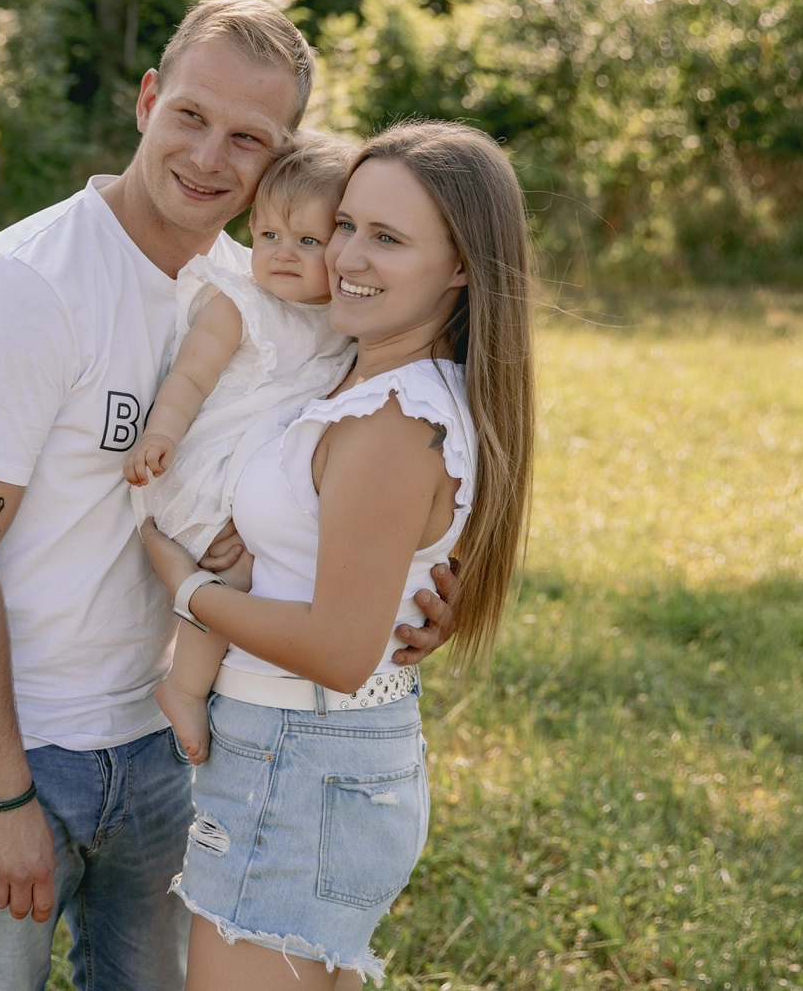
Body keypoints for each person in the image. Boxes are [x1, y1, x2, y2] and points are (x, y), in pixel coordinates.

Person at [0, 0, 461, 991]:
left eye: (250, 139)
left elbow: (348, 474)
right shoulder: (31, 286)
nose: (209, 156)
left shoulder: (260, 290)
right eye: (191, 115)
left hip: (170, 746)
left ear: (281, 164)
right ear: (148, 101)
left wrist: (413, 596)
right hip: (12, 750)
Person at [140, 118, 536, 988]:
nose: (348, 256)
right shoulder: (364, 376)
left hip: (299, 760)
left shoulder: (389, 419)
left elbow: (341, 650)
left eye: (387, 238)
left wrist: (191, 588)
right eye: (347, 224)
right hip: (304, 757)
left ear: (462, 265)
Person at [123, 132, 357, 765]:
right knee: (234, 578)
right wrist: (161, 435)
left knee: (263, 571)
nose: (283, 254)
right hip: (202, 469)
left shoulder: (344, 326)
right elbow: (191, 376)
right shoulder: (238, 303)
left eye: (309, 241)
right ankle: (185, 686)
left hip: (252, 479)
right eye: (269, 236)